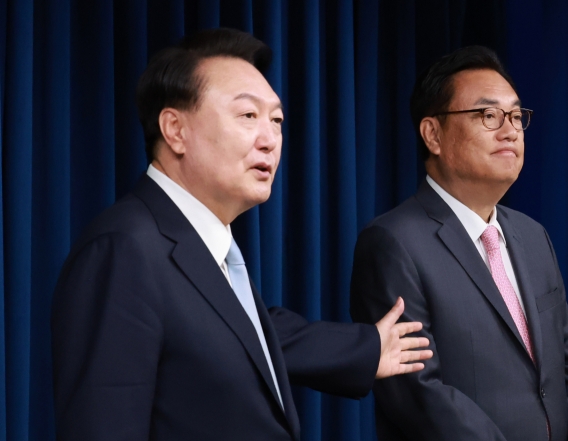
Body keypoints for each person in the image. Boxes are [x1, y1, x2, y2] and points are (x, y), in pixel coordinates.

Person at [51, 28, 432, 441]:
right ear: (175, 130)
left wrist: (367, 346)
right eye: (248, 116)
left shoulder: (206, 251)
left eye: (277, 120)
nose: (270, 140)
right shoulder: (123, 250)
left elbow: (240, 337)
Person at [350, 46, 568, 441]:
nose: (511, 130)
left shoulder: (533, 237)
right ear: (433, 134)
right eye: (488, 115)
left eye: (517, 116)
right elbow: (418, 393)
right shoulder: (392, 242)